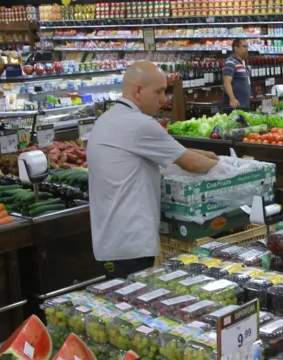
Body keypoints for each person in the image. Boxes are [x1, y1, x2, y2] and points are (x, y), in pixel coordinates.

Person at [88, 61, 219, 278]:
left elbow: (175, 151)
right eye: (159, 91)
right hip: (132, 243)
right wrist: (232, 167)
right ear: (138, 90)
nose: (164, 99)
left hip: (109, 241)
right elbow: (192, 164)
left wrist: (207, 155)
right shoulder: (139, 124)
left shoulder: (108, 119)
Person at [222, 38, 251, 110]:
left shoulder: (242, 62)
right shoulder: (230, 62)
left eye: (247, 46)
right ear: (236, 48)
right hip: (235, 105)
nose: (247, 49)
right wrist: (232, 99)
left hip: (243, 104)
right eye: (244, 46)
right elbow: (227, 83)